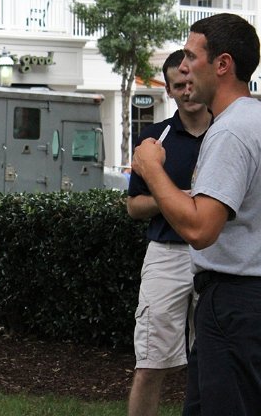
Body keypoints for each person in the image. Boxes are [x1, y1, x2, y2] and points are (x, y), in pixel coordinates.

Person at [131, 13, 261, 415]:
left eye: (191, 56)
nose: (183, 67)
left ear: (222, 64)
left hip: (234, 302)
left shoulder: (230, 131)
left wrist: (151, 168)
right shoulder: (252, 120)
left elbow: (201, 228)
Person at [126, 50, 211, 416]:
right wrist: (174, 198)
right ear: (169, 91)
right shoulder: (153, 139)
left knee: (215, 363)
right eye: (179, 86)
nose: (187, 91)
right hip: (166, 253)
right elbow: (133, 206)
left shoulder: (227, 133)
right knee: (150, 364)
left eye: (191, 82)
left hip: (217, 255)